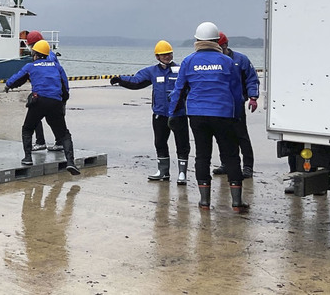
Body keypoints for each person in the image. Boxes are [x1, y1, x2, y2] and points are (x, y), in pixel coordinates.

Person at [169, 22, 248, 212]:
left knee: (202, 155)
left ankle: (204, 202)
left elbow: (178, 91)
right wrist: (237, 115)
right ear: (216, 42)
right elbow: (237, 93)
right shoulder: (227, 61)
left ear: (197, 41)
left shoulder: (188, 61)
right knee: (230, 155)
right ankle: (237, 203)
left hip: (197, 114)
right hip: (223, 114)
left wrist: (172, 114)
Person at [111, 40, 190, 184]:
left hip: (179, 114)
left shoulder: (180, 70)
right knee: (160, 143)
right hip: (159, 114)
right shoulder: (152, 71)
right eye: (163, 54)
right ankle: (163, 171)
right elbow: (136, 81)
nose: (167, 56)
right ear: (157, 57)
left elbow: (192, 85)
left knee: (182, 144)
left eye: (169, 53)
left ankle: (182, 174)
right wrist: (120, 79)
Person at [5, 40, 79, 175]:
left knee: (27, 128)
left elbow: (17, 78)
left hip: (38, 101)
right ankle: (71, 162)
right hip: (55, 102)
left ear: (35, 54)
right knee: (64, 133)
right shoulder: (57, 67)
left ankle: (27, 158)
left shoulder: (30, 66)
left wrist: (8, 86)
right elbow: (65, 86)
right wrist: (63, 100)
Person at [212, 32, 260, 178]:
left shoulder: (241, 59)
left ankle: (247, 167)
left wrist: (253, 97)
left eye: (218, 46)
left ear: (225, 45)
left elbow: (252, 79)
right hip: (220, 105)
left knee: (241, 136)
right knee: (222, 136)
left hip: (237, 104)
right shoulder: (214, 60)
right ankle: (226, 164)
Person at [24, 30, 60, 152]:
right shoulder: (50, 54)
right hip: (52, 91)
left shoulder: (45, 56)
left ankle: (41, 142)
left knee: (37, 117)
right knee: (53, 118)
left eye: (30, 45)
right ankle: (56, 141)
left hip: (46, 92)